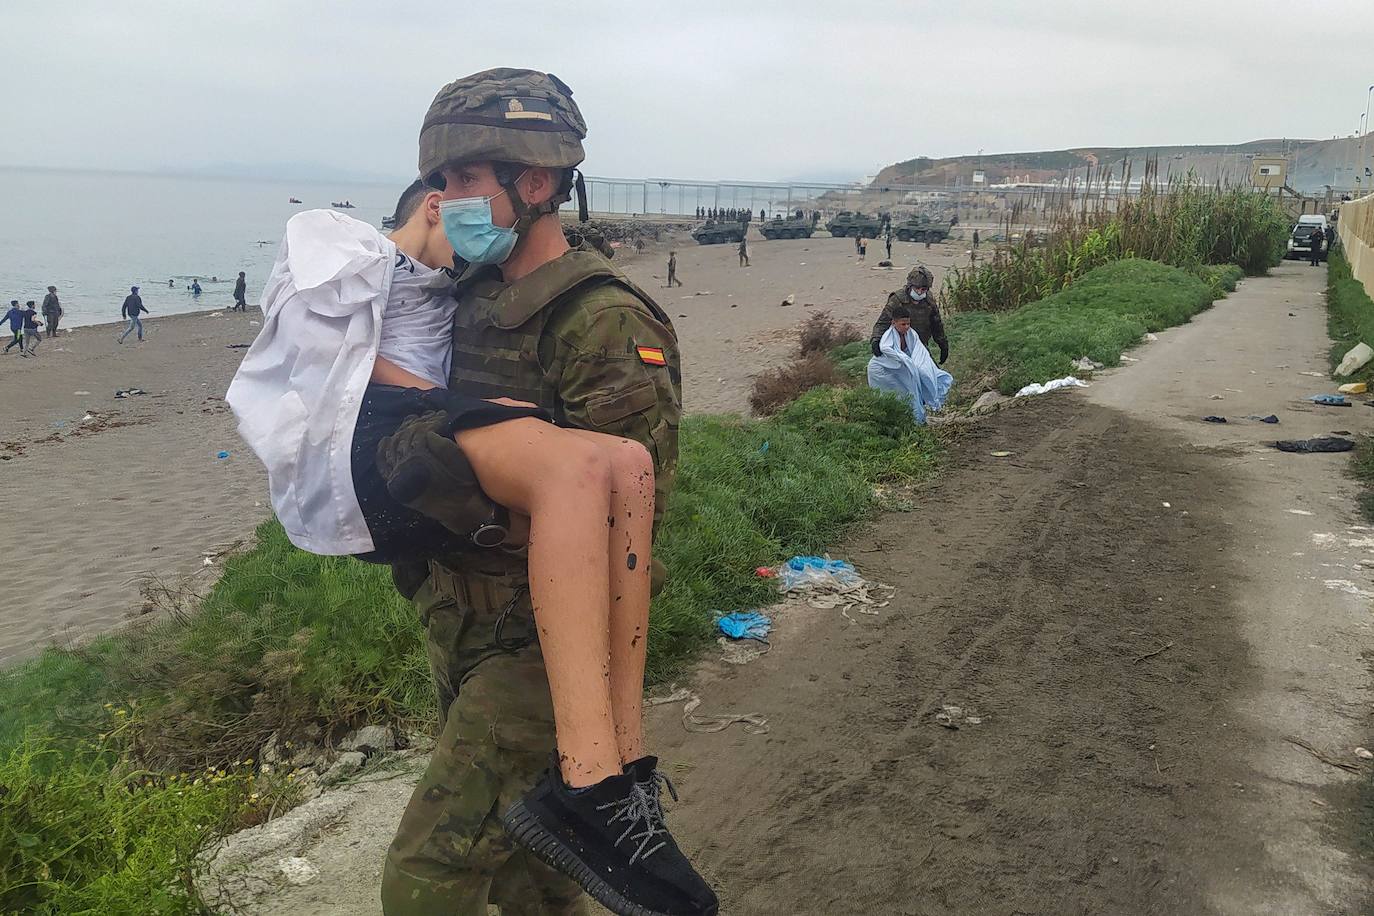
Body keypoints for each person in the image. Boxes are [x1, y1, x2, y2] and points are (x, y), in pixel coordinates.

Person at [379, 68, 712, 916]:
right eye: (437, 180)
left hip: (538, 644)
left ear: (535, 183)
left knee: (427, 878)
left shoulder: (603, 322)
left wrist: (446, 468)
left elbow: (626, 520)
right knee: (532, 870)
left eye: (461, 180)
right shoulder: (468, 294)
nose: (440, 198)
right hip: (456, 618)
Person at [866, 304, 953, 424]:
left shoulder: (911, 334)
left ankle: (914, 418)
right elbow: (888, 351)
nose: (906, 327)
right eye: (903, 324)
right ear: (893, 323)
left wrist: (922, 368)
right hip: (881, 370)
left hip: (900, 368)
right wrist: (909, 363)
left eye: (908, 324)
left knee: (917, 384)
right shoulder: (887, 338)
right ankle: (898, 420)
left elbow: (919, 352)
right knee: (897, 394)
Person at [870, 266, 949, 365]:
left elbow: (936, 324)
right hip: (899, 347)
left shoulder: (929, 301)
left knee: (931, 375)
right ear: (910, 286)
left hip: (920, 346)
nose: (920, 292)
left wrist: (942, 344)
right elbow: (883, 322)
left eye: (923, 289)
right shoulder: (897, 300)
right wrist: (876, 340)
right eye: (917, 288)